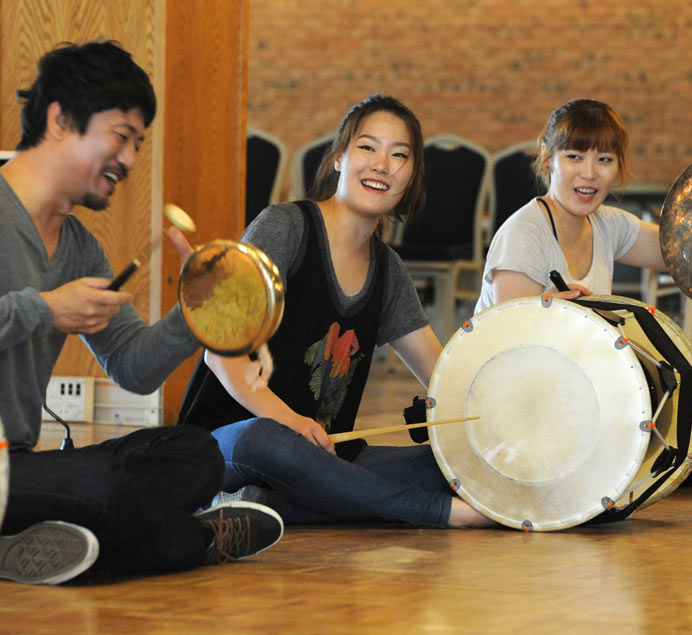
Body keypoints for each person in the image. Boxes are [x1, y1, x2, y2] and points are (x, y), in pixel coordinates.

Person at [0, 40, 282, 585]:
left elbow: (133, 368)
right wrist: (45, 310)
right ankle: (197, 540)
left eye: (138, 144)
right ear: (60, 119)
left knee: (195, 455)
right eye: (122, 137)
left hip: (12, 462)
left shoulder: (79, 246)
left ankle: (3, 547)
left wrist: (198, 311)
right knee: (102, 490)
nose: (129, 160)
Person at [177, 94, 493, 528]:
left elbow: (444, 377)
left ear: (412, 176)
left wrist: (512, 415)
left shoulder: (388, 272)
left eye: (399, 155)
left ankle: (271, 505)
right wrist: (290, 422)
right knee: (264, 440)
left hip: (326, 456)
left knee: (438, 465)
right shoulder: (285, 227)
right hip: (235, 442)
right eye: (367, 147)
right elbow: (221, 354)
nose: (382, 164)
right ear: (340, 158)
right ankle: (442, 514)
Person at [476, 97, 692, 487]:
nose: (589, 174)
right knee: (662, 404)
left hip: (585, 389)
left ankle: (669, 462)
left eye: (604, 160)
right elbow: (509, 344)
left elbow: (683, 245)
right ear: (547, 158)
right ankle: (683, 465)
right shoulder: (524, 232)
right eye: (574, 157)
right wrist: (545, 313)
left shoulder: (607, 224)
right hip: (525, 404)